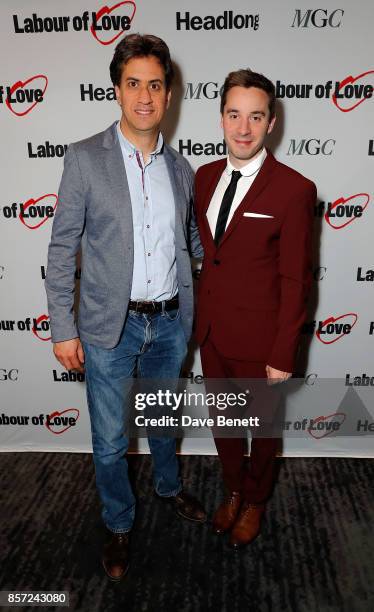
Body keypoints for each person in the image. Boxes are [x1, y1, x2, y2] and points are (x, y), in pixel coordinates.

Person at [45, 33, 206, 582]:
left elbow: (194, 245)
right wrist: (62, 328)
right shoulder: (84, 159)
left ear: (169, 94)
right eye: (133, 83)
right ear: (116, 89)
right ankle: (117, 523)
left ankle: (168, 487)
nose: (144, 95)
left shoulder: (181, 170)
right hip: (107, 328)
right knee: (111, 439)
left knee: (163, 421)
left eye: (155, 85)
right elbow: (62, 246)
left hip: (167, 324)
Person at [194, 69, 317, 548]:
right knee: (225, 424)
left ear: (272, 123)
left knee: (262, 433)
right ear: (221, 118)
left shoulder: (294, 189)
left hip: (264, 340)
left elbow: (296, 279)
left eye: (255, 116)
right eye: (233, 115)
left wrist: (284, 351)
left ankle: (257, 499)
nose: (243, 128)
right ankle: (233, 489)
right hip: (212, 332)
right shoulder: (203, 178)